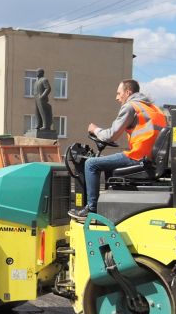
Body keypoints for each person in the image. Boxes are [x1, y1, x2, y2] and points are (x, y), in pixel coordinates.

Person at [70, 79, 167, 220]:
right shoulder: (155, 109)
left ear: (128, 92)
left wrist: (94, 129)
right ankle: (108, 203)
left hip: (137, 157)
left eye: (119, 93)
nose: (117, 97)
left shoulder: (131, 107)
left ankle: (91, 209)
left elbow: (111, 135)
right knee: (108, 165)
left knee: (91, 164)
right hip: (151, 159)